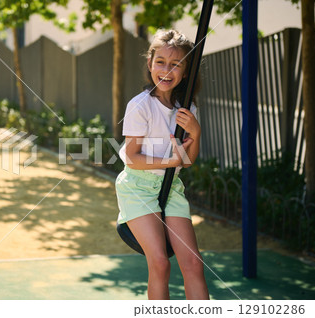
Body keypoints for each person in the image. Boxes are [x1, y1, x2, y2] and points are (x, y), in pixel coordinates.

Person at [115, 29, 209, 300]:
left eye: (176, 64)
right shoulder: (140, 105)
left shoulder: (186, 108)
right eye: (160, 62)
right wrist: (170, 161)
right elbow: (132, 157)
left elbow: (188, 161)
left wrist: (196, 131)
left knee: (193, 264)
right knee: (160, 263)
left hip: (171, 189)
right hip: (138, 187)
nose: (166, 70)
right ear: (150, 63)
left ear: (185, 71)